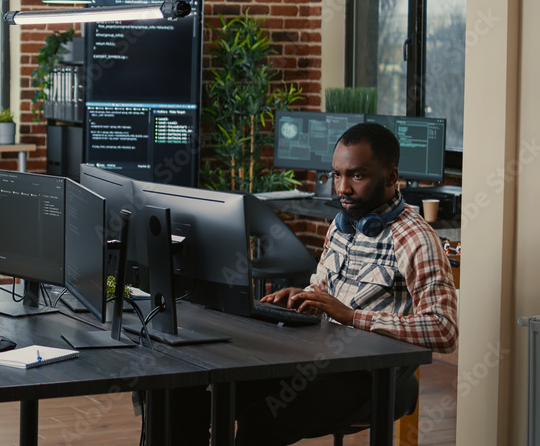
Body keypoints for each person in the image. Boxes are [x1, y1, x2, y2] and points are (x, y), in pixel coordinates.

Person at [171, 122, 458, 445]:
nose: (342, 188)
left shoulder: (417, 239)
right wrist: (303, 298)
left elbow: (444, 330)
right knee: (182, 395)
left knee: (261, 420)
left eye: (357, 176)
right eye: (337, 175)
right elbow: (322, 292)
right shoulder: (343, 226)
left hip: (366, 377)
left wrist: (352, 317)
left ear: (391, 177)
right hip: (316, 360)